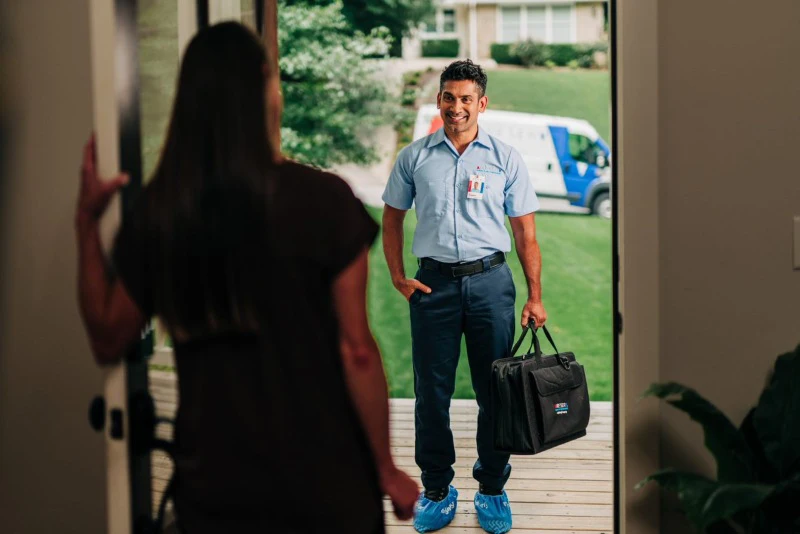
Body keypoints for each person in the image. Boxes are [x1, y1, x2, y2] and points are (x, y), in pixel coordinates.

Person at [75, 22, 417, 533]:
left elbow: (107, 336)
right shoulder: (323, 202)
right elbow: (357, 352)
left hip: (217, 496)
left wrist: (85, 227)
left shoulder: (164, 215)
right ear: (265, 84)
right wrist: (386, 469)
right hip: (327, 489)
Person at [381, 59, 547, 534]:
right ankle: (437, 489)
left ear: (482, 103)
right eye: (449, 97)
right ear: (439, 100)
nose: (457, 107)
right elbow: (392, 219)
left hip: (491, 285)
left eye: (466, 99)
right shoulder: (414, 157)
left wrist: (535, 297)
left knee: (495, 391)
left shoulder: (505, 158)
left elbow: (525, 234)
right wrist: (398, 276)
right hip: (432, 286)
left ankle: (492, 487)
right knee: (430, 394)